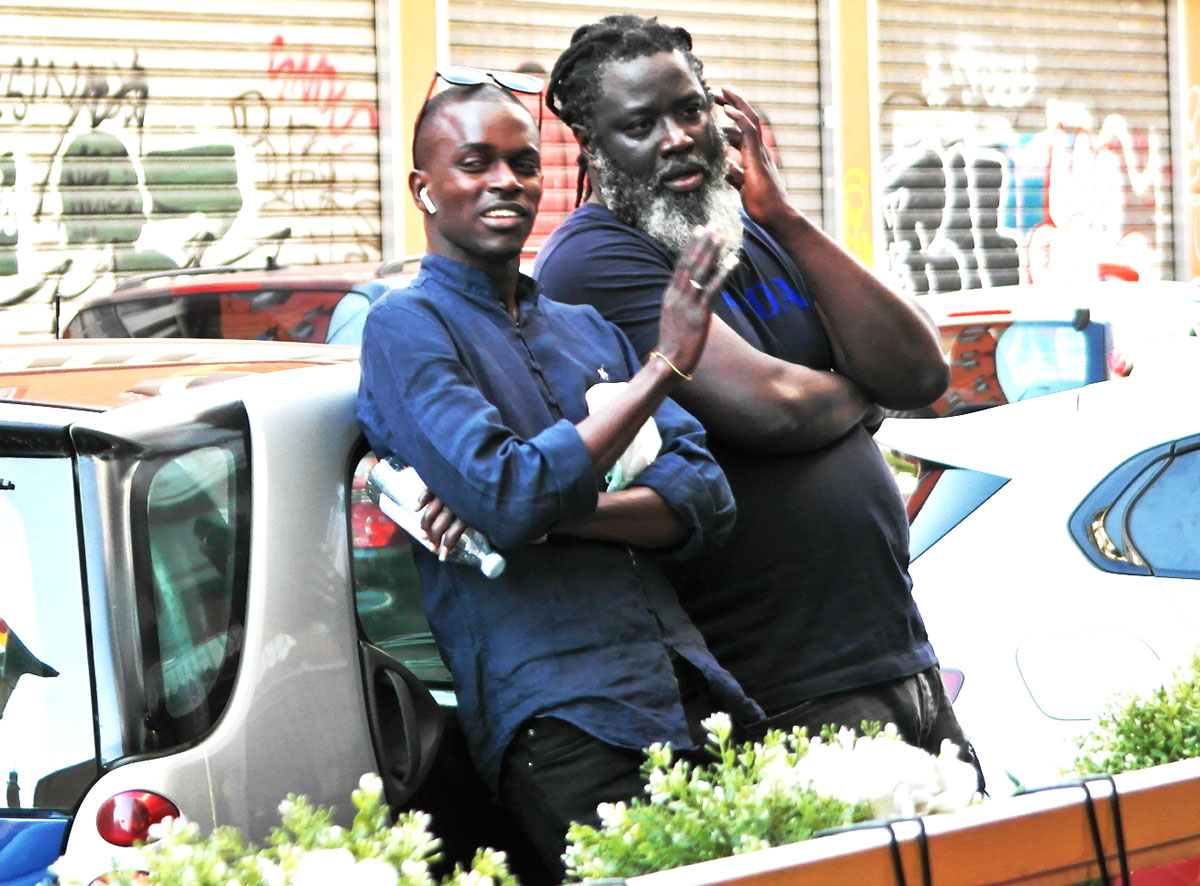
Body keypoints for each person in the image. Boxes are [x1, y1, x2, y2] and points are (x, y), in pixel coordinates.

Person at [534, 14, 983, 785]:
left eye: (689, 110)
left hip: (896, 657)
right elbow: (769, 407)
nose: (677, 138)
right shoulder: (594, 258)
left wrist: (787, 217)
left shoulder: (754, 232)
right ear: (593, 146)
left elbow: (919, 372)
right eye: (640, 125)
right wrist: (862, 398)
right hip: (780, 688)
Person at [355, 78, 763, 879]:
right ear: (423, 188)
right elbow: (507, 494)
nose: (506, 182)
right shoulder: (405, 328)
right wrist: (664, 366)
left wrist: (556, 515)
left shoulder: (587, 330)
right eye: (475, 163)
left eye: (522, 163)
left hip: (690, 695)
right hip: (566, 722)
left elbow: (706, 496)